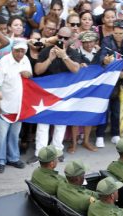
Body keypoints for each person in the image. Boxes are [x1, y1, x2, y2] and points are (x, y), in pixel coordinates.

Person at [33, 26, 81, 160]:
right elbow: (37, 70)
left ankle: (57, 151)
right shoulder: (46, 51)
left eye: (66, 38)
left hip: (63, 94)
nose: (62, 40)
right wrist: (50, 59)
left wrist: (64, 56)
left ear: (70, 39)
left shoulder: (73, 52)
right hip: (46, 94)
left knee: (60, 123)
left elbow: (76, 69)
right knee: (43, 123)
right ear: (56, 36)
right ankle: (40, 153)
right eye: (60, 37)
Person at [0, 39, 32, 174]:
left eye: (22, 51)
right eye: (17, 51)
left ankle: (13, 158)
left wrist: (28, 74)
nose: (20, 54)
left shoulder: (25, 59)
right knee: (1, 136)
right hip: (4, 105)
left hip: (19, 106)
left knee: (14, 135)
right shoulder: (3, 62)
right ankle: (0, 160)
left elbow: (30, 75)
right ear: (12, 50)